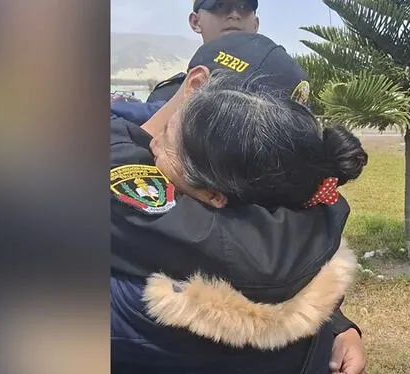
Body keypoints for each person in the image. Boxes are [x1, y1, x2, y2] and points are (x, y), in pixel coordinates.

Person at [111, 32, 367, 374]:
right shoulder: (297, 225)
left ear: (216, 195)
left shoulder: (159, 291)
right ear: (199, 87)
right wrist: (332, 321)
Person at [145, 0, 260, 104]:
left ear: (256, 24)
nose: (235, 15)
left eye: (244, 6)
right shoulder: (168, 98)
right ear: (195, 21)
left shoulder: (274, 92)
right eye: (220, 5)